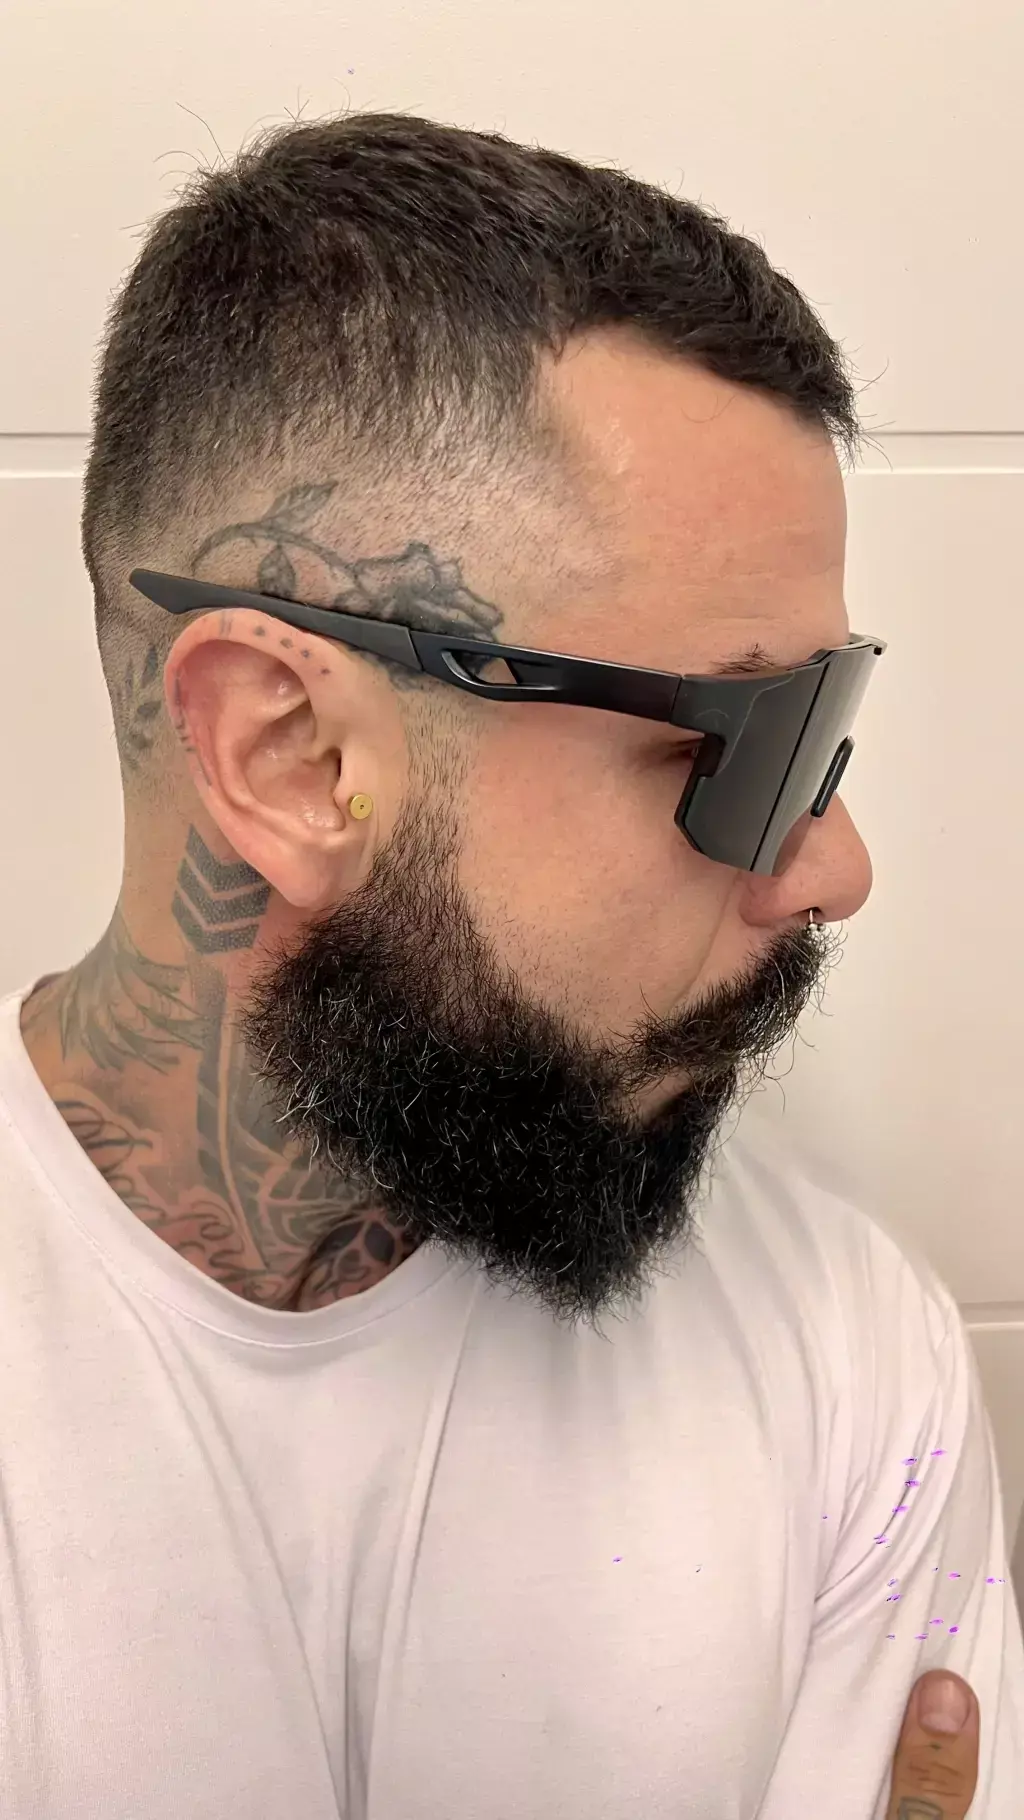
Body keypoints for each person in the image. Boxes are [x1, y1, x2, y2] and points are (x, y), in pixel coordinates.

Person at [1, 112, 1019, 1818]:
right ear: (291, 756)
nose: (835, 870)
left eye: (829, 724)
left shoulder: (851, 1360)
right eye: (749, 740)